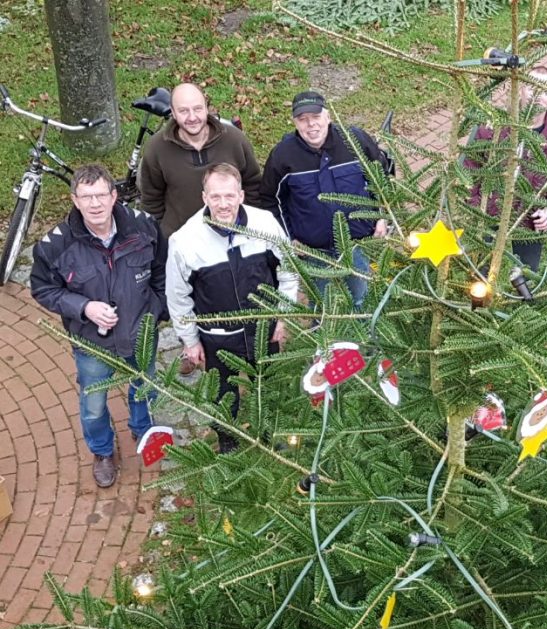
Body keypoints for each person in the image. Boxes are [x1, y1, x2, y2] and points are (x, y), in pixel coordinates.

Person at [30, 165, 167, 487]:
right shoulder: (54, 246)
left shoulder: (143, 228)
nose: (95, 204)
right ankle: (103, 451)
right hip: (91, 343)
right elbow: (43, 289)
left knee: (144, 388)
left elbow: (162, 272)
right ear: (74, 200)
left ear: (114, 195)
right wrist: (84, 307)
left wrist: (155, 313)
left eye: (101, 195)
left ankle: (143, 429)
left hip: (140, 334)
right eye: (86, 197)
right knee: (93, 405)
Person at [165, 163, 298, 453]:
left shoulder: (265, 224)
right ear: (204, 198)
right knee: (222, 394)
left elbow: (288, 270)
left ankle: (272, 433)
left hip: (263, 329)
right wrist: (189, 340)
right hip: (217, 337)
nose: (223, 204)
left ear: (240, 195)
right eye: (215, 197)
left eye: (229, 196)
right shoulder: (184, 241)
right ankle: (228, 441)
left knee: (269, 383)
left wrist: (283, 317)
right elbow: (178, 297)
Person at [139, 82, 262, 375]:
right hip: (185, 241)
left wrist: (252, 225)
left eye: (197, 109)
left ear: (207, 107)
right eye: (183, 111)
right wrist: (165, 235)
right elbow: (151, 197)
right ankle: (192, 346)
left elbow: (253, 182)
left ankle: (252, 347)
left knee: (235, 289)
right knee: (188, 297)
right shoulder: (157, 148)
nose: (192, 117)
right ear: (173, 112)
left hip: (233, 235)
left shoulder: (233, 139)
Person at [256, 90, 389, 309]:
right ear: (295, 123)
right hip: (313, 249)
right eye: (303, 120)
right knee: (323, 305)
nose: (311, 125)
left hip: (358, 242)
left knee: (362, 299)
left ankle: (366, 340)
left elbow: (381, 175)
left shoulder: (354, 141)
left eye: (316, 117)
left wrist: (382, 215)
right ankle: (324, 340)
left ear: (328, 117)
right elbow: (271, 200)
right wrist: (288, 238)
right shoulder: (282, 155)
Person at [466, 65, 547, 270]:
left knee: (527, 274)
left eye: (545, 90)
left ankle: (522, 297)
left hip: (529, 217)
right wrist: (477, 203)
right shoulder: (493, 126)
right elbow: (472, 165)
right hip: (490, 211)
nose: (537, 95)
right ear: (520, 89)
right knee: (479, 270)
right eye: (531, 87)